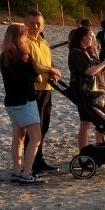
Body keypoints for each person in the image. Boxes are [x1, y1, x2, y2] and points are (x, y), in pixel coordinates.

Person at [0, 23, 59, 184]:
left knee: (18, 136)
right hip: (26, 100)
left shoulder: (4, 56)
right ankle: (26, 173)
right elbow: (37, 77)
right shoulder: (24, 56)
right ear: (20, 38)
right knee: (36, 137)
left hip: (10, 100)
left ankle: (16, 170)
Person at [25, 10, 61, 174]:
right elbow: (32, 66)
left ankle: (39, 160)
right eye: (32, 23)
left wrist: (54, 71)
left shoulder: (44, 42)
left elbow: (49, 62)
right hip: (33, 89)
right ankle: (30, 164)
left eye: (38, 23)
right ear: (26, 24)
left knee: (44, 126)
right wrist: (50, 69)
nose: (35, 26)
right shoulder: (25, 41)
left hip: (47, 88)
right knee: (34, 129)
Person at [68, 26, 105, 149]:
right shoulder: (76, 53)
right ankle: (84, 150)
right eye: (91, 36)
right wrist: (104, 62)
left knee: (93, 123)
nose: (93, 39)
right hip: (86, 93)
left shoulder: (87, 52)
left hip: (96, 91)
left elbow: (97, 70)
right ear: (83, 37)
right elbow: (89, 71)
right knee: (90, 123)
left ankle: (100, 146)